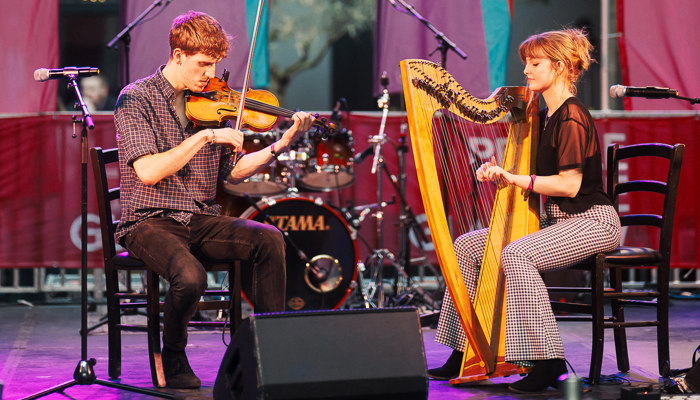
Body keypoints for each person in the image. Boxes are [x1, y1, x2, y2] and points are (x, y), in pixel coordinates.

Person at [113, 11, 314, 389]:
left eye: (215, 65)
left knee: (268, 237)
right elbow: (149, 172)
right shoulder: (135, 98)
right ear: (177, 56)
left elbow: (233, 172)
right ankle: (172, 354)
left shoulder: (212, 103)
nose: (210, 74)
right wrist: (205, 138)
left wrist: (280, 144)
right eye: (203, 64)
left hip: (200, 218)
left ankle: (271, 349)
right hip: (148, 221)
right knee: (191, 277)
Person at [426, 28, 622, 393]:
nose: (526, 72)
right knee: (468, 245)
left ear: (561, 66)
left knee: (516, 253)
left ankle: (548, 362)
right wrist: (502, 175)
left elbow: (569, 185)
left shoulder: (572, 118)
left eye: (535, 63)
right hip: (559, 221)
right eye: (525, 64)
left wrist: (515, 178)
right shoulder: (544, 115)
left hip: (593, 221)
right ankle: (463, 349)